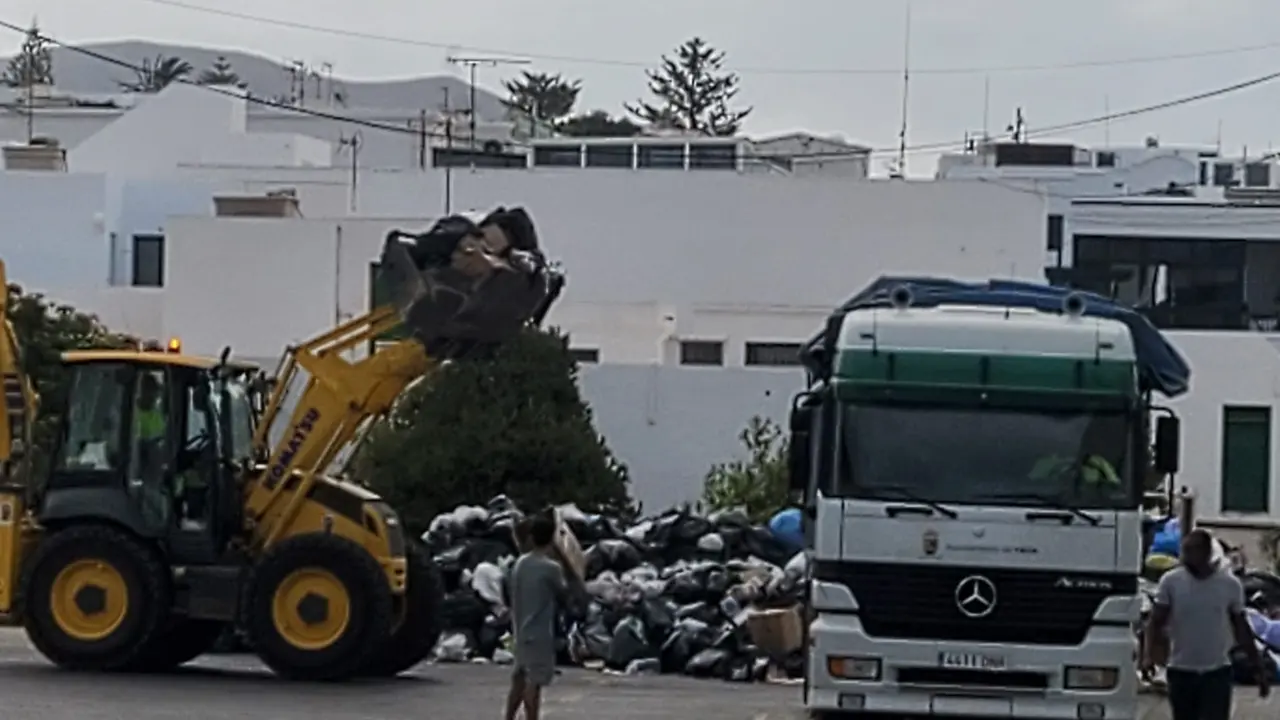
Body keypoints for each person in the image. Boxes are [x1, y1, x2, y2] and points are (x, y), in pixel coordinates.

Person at [1143, 528, 1270, 720]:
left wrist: (1258, 667)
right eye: (1185, 550)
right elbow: (1155, 622)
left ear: (1206, 552)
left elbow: (1241, 628)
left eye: (1192, 551)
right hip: (1181, 671)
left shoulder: (1229, 584)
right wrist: (1147, 656)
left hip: (1216, 673)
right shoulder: (1171, 582)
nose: (1186, 556)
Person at [504, 512, 568, 720]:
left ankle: (508, 717)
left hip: (520, 631)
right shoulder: (551, 568)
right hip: (539, 633)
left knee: (518, 680)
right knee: (534, 684)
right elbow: (564, 593)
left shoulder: (519, 564)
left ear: (531, 537)